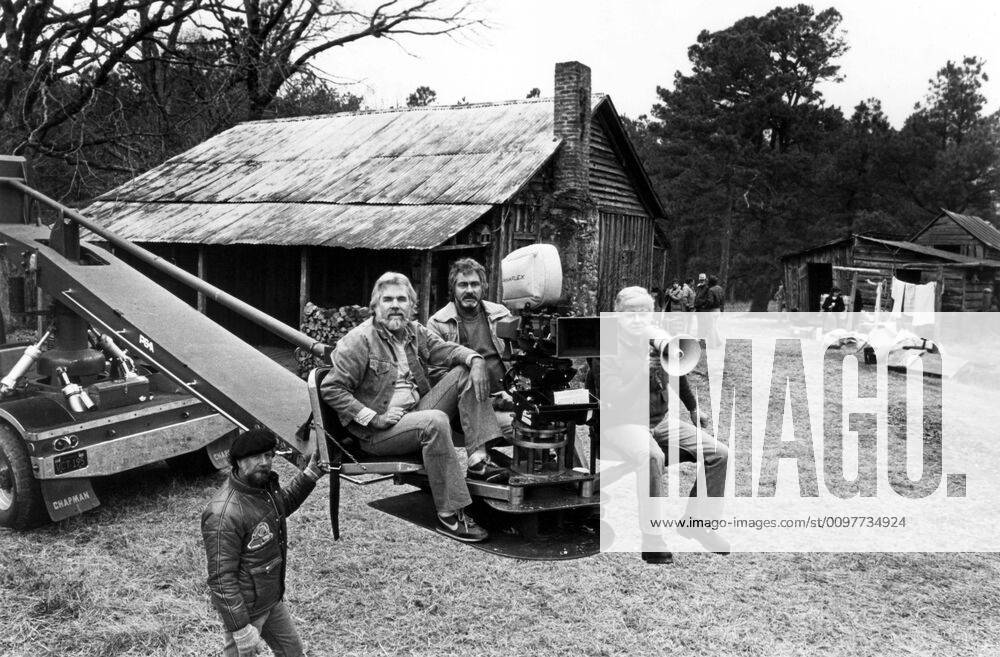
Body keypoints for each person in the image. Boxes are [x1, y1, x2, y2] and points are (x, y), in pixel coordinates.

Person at [321, 272, 507, 543]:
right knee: (435, 421)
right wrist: (374, 418)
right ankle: (450, 514)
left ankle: (478, 461)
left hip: (413, 413)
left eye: (401, 299)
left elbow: (447, 350)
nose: (395, 305)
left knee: (464, 371)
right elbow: (331, 388)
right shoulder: (359, 340)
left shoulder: (413, 331)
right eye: (388, 300)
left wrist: (476, 359)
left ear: (411, 306)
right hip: (378, 433)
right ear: (375, 306)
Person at [601, 286, 730, 561]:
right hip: (621, 424)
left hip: (658, 421)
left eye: (644, 313)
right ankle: (652, 537)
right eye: (630, 313)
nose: (638, 319)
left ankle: (698, 524)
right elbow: (613, 399)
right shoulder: (605, 343)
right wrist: (641, 370)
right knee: (651, 456)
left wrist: (694, 408)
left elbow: (679, 375)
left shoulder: (655, 339)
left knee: (719, 454)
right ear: (616, 313)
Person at [201, 428, 326, 657]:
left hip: (271, 600)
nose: (265, 462)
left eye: (269, 455)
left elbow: (281, 506)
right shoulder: (223, 512)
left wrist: (310, 475)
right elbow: (221, 578)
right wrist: (240, 629)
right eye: (256, 456)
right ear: (238, 461)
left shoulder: (263, 488)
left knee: (292, 652)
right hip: (245, 610)